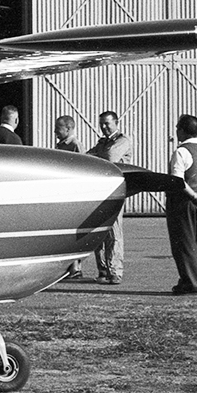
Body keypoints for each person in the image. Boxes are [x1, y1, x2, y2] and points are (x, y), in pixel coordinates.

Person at [166, 114, 197, 295]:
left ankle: (193, 283)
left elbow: (177, 181)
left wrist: (194, 197)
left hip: (185, 201)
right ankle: (187, 280)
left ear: (182, 131)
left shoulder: (181, 152)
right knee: (195, 244)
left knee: (183, 244)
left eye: (178, 128)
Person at [87, 111, 133, 284]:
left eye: (107, 123)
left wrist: (96, 156)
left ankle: (115, 271)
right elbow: (86, 156)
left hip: (115, 191)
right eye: (101, 124)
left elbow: (109, 157)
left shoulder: (122, 141)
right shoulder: (103, 142)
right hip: (102, 192)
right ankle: (103, 269)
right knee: (100, 233)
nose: (104, 127)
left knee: (114, 232)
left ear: (116, 123)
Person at [53, 116, 84, 276]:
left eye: (58, 128)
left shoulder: (74, 146)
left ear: (68, 129)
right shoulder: (61, 145)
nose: (55, 132)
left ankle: (76, 267)